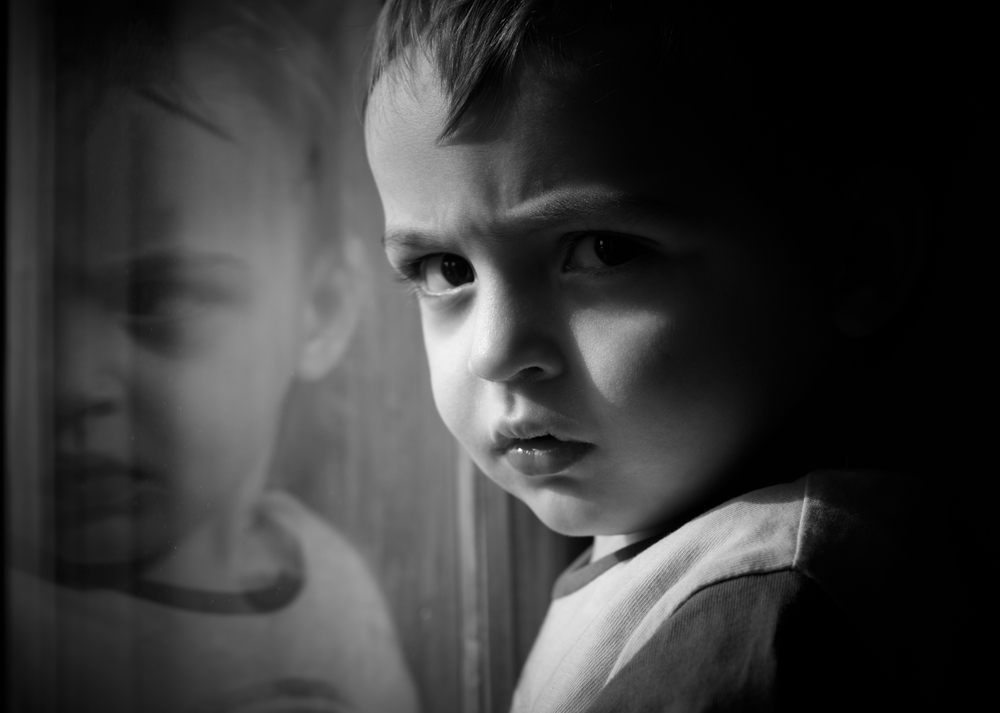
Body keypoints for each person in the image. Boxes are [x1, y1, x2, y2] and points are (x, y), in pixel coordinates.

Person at [363, 1, 960, 710]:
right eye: (443, 270)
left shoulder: (761, 611)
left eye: (603, 250)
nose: (493, 353)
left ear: (856, 258)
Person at [8, 2, 419, 712]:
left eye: (162, 298)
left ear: (317, 313)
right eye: (19, 309)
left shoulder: (335, 590)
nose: (67, 378)